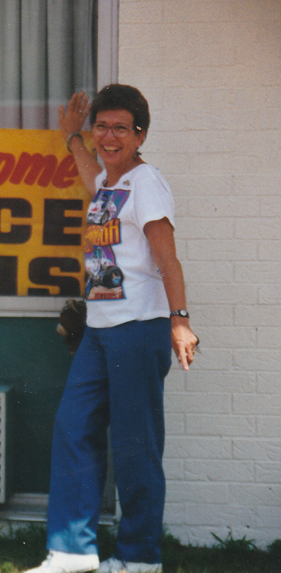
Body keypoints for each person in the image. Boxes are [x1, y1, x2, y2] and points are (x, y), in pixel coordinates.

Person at [25, 84, 199, 573]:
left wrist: (180, 321)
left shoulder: (147, 183)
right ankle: (72, 551)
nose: (109, 136)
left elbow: (167, 258)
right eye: (101, 126)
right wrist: (72, 139)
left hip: (139, 328)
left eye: (121, 128)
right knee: (74, 427)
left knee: (134, 444)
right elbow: (91, 178)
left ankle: (139, 558)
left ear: (140, 135)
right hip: (100, 329)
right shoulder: (109, 181)